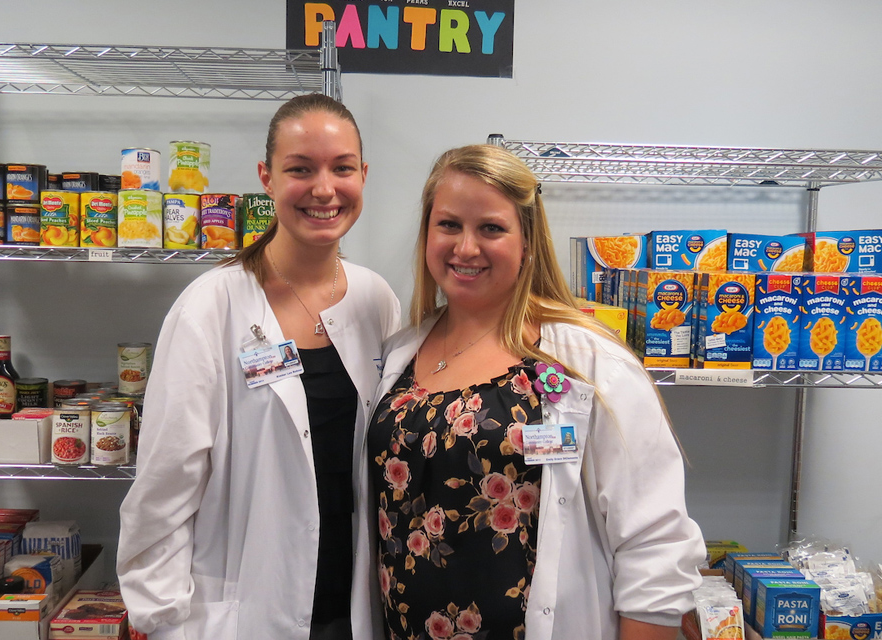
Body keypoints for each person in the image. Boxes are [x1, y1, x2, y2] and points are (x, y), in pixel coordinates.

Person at [352, 145, 704, 640]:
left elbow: (654, 543)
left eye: (491, 228)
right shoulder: (400, 354)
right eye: (448, 225)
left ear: (528, 242)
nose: (466, 248)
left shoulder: (586, 363)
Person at [118, 93, 401, 640]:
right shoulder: (211, 306)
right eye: (300, 169)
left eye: (342, 168)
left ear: (363, 175)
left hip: (356, 602)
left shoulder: (376, 299)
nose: (324, 189)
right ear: (266, 178)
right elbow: (164, 483)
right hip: (244, 604)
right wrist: (160, 617)